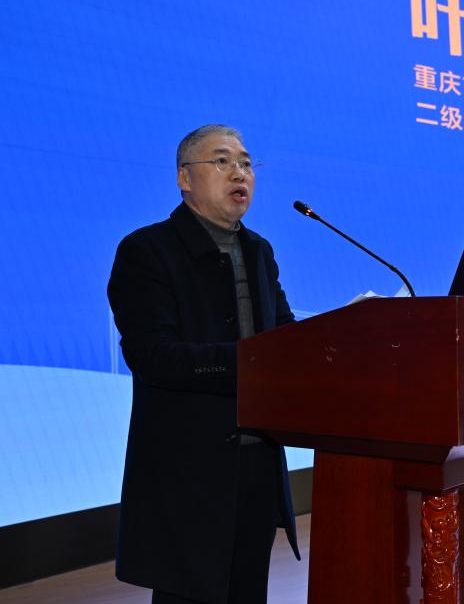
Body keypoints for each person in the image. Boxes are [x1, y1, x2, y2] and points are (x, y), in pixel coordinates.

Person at [107, 124, 299, 604]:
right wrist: (249, 362)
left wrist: (339, 334)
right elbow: (152, 356)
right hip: (188, 472)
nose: (239, 172)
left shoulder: (259, 251)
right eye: (222, 161)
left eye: (247, 163)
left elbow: (285, 336)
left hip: (256, 463)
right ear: (184, 179)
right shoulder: (147, 251)